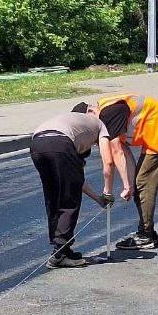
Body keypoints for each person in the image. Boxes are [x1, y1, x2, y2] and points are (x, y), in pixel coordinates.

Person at [30, 103, 129, 269]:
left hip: (36, 144)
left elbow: (76, 178)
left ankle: (62, 248)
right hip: (60, 143)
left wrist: (98, 199)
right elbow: (109, 162)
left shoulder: (73, 123)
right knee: (69, 199)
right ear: (91, 111)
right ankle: (60, 253)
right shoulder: (100, 125)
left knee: (53, 196)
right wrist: (107, 192)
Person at [94, 94, 158, 250]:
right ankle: (147, 232)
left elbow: (116, 153)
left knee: (144, 182)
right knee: (139, 181)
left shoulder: (107, 114)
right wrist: (129, 184)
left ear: (90, 113)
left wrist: (128, 187)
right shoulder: (107, 112)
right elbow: (124, 152)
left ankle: (146, 235)